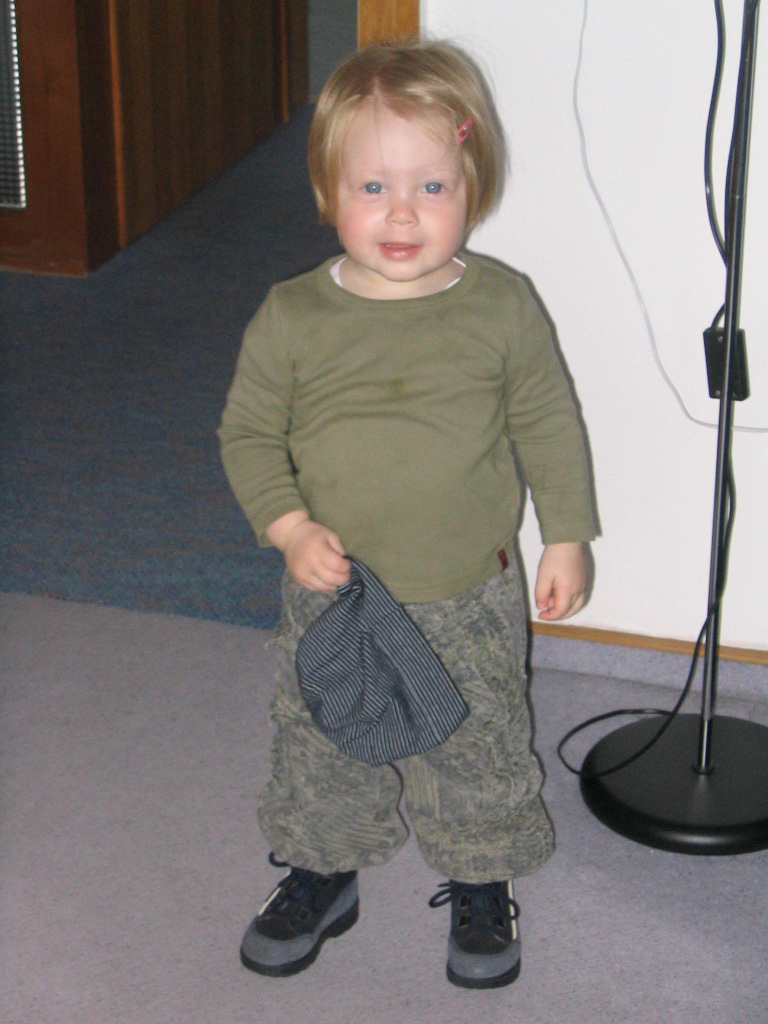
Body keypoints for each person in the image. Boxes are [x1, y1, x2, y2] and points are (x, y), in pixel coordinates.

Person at [218, 37, 597, 990]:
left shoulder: (502, 306)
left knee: (478, 744)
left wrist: (567, 534)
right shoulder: (294, 316)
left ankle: (480, 878)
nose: (401, 213)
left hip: (469, 591)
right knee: (324, 741)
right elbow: (249, 436)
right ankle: (323, 868)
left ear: (474, 187)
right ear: (327, 191)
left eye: (432, 187)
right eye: (373, 187)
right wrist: (289, 527)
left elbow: (548, 422)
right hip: (336, 593)